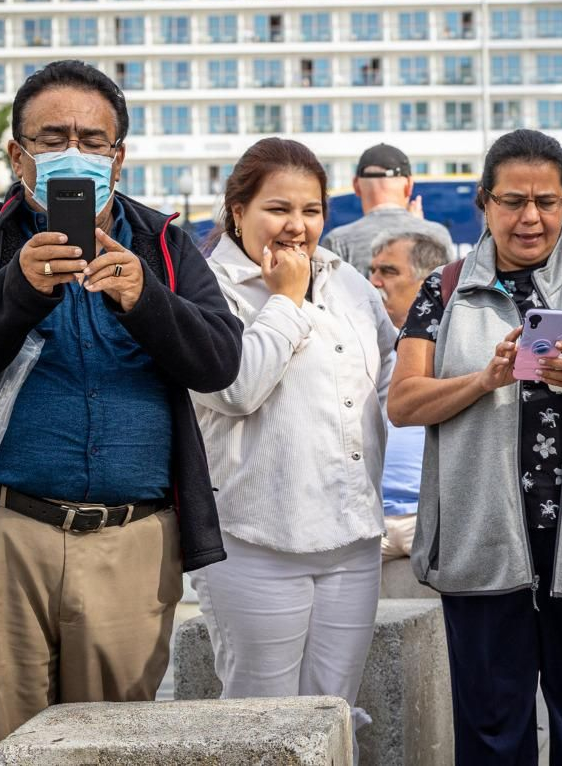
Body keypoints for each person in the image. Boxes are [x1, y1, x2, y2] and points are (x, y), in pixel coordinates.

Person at [0, 60, 242, 766]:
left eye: (92, 138)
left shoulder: (162, 244)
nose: (72, 151)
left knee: (111, 750)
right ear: (17, 155)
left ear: (118, 156)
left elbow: (220, 360)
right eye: (51, 137)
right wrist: (17, 289)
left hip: (130, 543)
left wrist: (146, 301)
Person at [390, 128, 562, 765]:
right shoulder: (444, 290)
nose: (531, 218)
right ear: (484, 204)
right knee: (490, 732)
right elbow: (403, 402)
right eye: (513, 201)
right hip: (483, 541)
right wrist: (483, 379)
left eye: (547, 201)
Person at [188, 137, 395, 727]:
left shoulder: (349, 282)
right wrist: (286, 299)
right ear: (238, 211)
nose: (297, 226)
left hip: (352, 537)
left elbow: (386, 375)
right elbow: (234, 387)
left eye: (311, 210)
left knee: (333, 714)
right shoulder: (210, 289)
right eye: (278, 209)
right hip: (255, 538)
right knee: (262, 722)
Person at [367, 230, 450, 559]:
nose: (373, 282)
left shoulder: (454, 345)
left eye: (388, 271)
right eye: (372, 271)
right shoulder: (360, 342)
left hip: (430, 511)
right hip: (369, 514)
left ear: (428, 283)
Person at [321, 143, 454, 275]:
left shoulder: (337, 241)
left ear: (356, 185)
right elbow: (448, 290)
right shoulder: (437, 235)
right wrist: (420, 231)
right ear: (409, 185)